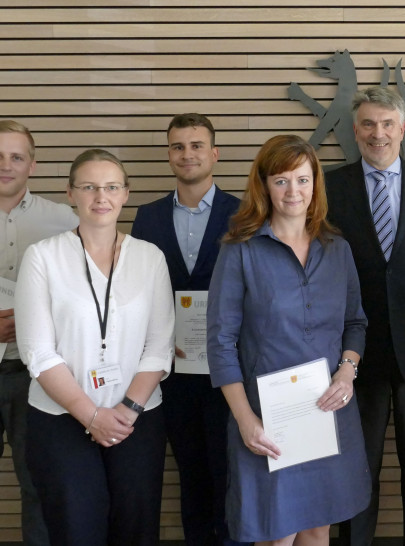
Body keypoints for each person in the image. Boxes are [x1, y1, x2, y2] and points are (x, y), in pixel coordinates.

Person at [206, 135, 371, 545]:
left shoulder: (338, 249)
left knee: (318, 529)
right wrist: (245, 421)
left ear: (315, 183)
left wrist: (347, 373)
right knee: (276, 534)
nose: (293, 191)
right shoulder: (240, 250)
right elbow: (220, 342)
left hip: (327, 412)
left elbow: (356, 324)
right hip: (266, 419)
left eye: (302, 179)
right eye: (281, 181)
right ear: (263, 185)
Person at [15, 149, 175, 545]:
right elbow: (38, 352)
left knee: (136, 526)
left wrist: (126, 410)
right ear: (71, 194)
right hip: (60, 418)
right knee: (75, 528)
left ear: (125, 194)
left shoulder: (149, 257)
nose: (100, 196)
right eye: (88, 187)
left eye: (110, 187)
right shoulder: (42, 257)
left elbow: (159, 345)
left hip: (136, 418)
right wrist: (90, 416)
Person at [325, 86, 405, 546]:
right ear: (355, 131)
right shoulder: (328, 186)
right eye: (368, 124)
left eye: (387, 124)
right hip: (354, 354)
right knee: (358, 468)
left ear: (403, 129)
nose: (378, 133)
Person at [131, 113, 243, 546]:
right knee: (189, 471)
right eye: (178, 146)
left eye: (196, 145)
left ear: (214, 153)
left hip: (227, 369)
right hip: (170, 371)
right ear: (169, 155)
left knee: (229, 470)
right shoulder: (148, 217)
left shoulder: (245, 212)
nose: (187, 154)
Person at [0, 120, 78, 546]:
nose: (6, 165)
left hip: (38, 376)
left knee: (37, 486)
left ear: (32, 164)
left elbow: (84, 293)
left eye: (16, 156)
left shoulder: (64, 221)